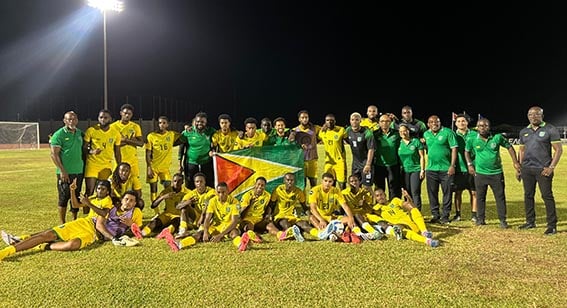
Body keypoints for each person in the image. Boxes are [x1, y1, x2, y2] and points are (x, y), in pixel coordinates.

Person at [0, 190, 140, 261]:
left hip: (93, 236)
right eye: (126, 199)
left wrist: (132, 225)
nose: (128, 202)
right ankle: (7, 252)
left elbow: (139, 232)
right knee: (48, 234)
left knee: (73, 245)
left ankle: (42, 245)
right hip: (86, 225)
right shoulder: (110, 209)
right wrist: (113, 238)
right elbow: (99, 224)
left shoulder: (136, 214)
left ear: (135, 204)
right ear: (122, 200)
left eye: (132, 201)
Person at [161, 182, 251, 252]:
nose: (221, 195)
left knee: (234, 233)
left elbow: (234, 222)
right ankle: (180, 244)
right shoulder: (213, 201)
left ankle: (241, 244)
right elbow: (208, 218)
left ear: (228, 191)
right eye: (218, 192)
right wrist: (205, 232)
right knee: (199, 234)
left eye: (223, 192)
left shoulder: (234, 202)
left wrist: (221, 235)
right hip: (216, 226)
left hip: (228, 226)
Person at [465, 118, 520, 228]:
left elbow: (509, 147)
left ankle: (503, 220)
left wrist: (515, 162)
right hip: (480, 174)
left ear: (489, 127)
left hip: (496, 173)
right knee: (480, 197)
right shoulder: (472, 139)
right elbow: (466, 151)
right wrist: (470, 164)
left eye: (485, 126)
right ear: (477, 127)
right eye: (480, 126)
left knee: (500, 197)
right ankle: (480, 219)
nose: (483, 128)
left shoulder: (497, 137)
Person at [518, 106, 563, 235]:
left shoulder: (550, 129)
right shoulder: (524, 131)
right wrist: (520, 168)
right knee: (528, 195)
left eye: (537, 114)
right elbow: (521, 150)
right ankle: (530, 222)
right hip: (527, 169)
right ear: (528, 116)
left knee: (547, 196)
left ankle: (552, 225)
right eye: (531, 114)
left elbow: (558, 150)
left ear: (542, 115)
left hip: (543, 169)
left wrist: (551, 167)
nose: (534, 116)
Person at [371, 188, 439, 247]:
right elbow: (367, 212)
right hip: (402, 225)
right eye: (377, 196)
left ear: (385, 195)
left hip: (411, 221)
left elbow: (408, 205)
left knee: (414, 209)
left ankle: (424, 231)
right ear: (375, 198)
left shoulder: (395, 200)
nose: (380, 197)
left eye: (381, 194)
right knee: (399, 229)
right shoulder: (376, 208)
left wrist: (408, 197)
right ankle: (427, 241)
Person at [83, 109, 122, 214]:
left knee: (105, 192)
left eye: (105, 117)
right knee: (89, 191)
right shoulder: (91, 130)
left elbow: (117, 152)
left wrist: (119, 166)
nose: (103, 119)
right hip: (93, 164)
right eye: (101, 117)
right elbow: (84, 148)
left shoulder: (115, 133)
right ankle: (86, 216)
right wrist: (92, 151)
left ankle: (105, 215)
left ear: (111, 119)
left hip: (107, 166)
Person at [49, 111, 84, 224]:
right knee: (64, 197)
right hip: (66, 172)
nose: (71, 121)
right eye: (69, 119)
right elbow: (54, 154)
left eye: (74, 119)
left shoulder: (79, 133)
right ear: (64, 121)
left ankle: (74, 220)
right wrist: (63, 171)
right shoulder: (59, 134)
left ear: (77, 120)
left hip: (79, 171)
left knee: (76, 196)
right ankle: (62, 223)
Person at [423, 115, 458, 224]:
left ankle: (445, 216)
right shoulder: (426, 134)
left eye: (436, 122)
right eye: (431, 122)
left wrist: (452, 165)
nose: (434, 124)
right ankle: (435, 215)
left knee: (447, 193)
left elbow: (454, 149)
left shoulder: (448, 132)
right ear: (428, 124)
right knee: (432, 193)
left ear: (440, 122)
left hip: (445, 169)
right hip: (431, 169)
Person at [132, 173, 189, 238]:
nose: (176, 183)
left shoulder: (187, 192)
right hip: (167, 214)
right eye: (175, 181)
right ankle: (142, 233)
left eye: (179, 181)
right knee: (155, 222)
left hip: (179, 216)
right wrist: (163, 197)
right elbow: (153, 205)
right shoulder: (166, 191)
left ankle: (166, 232)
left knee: (175, 223)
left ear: (183, 182)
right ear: (172, 181)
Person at [145, 116, 181, 215]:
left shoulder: (172, 134)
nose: (162, 125)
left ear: (167, 124)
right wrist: (149, 167)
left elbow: (183, 137)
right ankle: (156, 213)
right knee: (153, 189)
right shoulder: (151, 136)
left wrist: (187, 128)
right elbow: (147, 153)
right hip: (154, 168)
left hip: (165, 169)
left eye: (164, 123)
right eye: (160, 123)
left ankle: (167, 209)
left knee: (168, 188)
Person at [307, 173, 356, 241]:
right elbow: (313, 208)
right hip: (319, 217)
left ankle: (350, 234)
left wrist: (351, 218)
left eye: (330, 181)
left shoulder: (336, 191)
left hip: (331, 217)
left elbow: (345, 206)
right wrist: (321, 220)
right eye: (325, 181)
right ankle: (323, 233)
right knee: (311, 217)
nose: (327, 183)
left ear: (333, 182)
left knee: (348, 219)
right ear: (322, 181)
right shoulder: (314, 190)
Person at [266, 172, 310, 242]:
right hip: (280, 216)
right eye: (288, 180)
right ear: (284, 181)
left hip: (292, 216)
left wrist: (310, 216)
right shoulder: (278, 190)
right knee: (286, 224)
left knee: (305, 224)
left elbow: (304, 207)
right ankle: (296, 236)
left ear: (294, 181)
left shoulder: (298, 192)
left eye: (292, 180)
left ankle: (320, 234)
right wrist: (268, 215)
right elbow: (271, 205)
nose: (290, 182)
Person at [178, 112, 216, 189]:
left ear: (206, 122)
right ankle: (191, 200)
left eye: (202, 122)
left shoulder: (211, 131)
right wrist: (179, 164)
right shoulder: (188, 132)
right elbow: (181, 148)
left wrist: (238, 132)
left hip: (206, 162)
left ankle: (208, 200)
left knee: (209, 183)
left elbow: (221, 135)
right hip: (191, 163)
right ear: (195, 121)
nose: (199, 123)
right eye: (198, 121)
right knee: (190, 184)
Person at [341, 174, 383, 240]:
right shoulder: (344, 193)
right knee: (350, 219)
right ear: (348, 183)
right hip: (350, 215)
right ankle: (361, 234)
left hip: (362, 215)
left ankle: (373, 232)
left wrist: (365, 203)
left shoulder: (364, 192)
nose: (354, 182)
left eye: (356, 181)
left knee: (359, 215)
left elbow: (371, 205)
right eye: (352, 181)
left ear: (359, 182)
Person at [452, 113, 477, 222]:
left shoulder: (475, 134)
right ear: (455, 123)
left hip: (473, 167)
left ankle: (474, 214)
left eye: (463, 121)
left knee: (474, 192)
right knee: (458, 192)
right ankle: (458, 214)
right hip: (459, 168)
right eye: (458, 121)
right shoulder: (453, 135)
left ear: (467, 122)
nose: (461, 123)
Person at [175, 173, 216, 237]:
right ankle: (183, 230)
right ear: (194, 183)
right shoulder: (192, 193)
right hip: (197, 217)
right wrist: (188, 202)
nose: (199, 183)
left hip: (208, 217)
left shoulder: (211, 191)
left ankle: (202, 228)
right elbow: (178, 206)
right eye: (197, 182)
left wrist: (202, 216)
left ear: (205, 182)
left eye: (201, 181)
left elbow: (209, 205)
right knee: (184, 208)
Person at [289, 110, 321, 190]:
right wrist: (295, 142)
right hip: (301, 161)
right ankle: (303, 201)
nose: (305, 119)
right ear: (299, 119)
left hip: (312, 160)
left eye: (306, 117)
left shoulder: (315, 128)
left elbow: (324, 130)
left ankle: (313, 201)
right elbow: (291, 142)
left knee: (313, 183)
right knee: (302, 184)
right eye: (302, 117)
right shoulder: (295, 130)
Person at [111, 103, 144, 178]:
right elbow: (112, 144)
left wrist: (125, 140)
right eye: (125, 113)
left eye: (129, 114)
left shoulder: (135, 126)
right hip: (118, 160)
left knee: (134, 184)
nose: (127, 115)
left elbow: (141, 143)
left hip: (133, 161)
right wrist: (131, 141)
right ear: (121, 113)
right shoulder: (113, 127)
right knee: (118, 183)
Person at [397, 124, 426, 211]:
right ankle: (409, 211)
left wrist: (422, 170)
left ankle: (417, 212)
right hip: (404, 171)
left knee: (415, 192)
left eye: (405, 131)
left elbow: (422, 157)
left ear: (408, 131)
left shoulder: (416, 141)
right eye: (401, 131)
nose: (403, 133)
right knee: (406, 192)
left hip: (415, 170)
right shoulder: (399, 143)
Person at [373, 114, 402, 199]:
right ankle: (380, 207)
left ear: (390, 122)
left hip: (393, 165)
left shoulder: (396, 134)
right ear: (379, 123)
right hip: (379, 165)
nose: (384, 123)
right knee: (380, 188)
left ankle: (394, 207)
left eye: (387, 121)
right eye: (382, 121)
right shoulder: (375, 134)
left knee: (394, 188)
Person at [345, 112, 375, 192]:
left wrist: (368, 164)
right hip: (355, 164)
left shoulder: (367, 133)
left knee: (366, 187)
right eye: (352, 120)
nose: (354, 121)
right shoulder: (348, 130)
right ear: (350, 121)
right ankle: (358, 203)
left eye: (356, 120)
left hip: (366, 163)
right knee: (355, 185)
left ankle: (372, 203)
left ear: (360, 121)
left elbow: (371, 149)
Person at [318, 114, 348, 189]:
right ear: (325, 122)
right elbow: (316, 139)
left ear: (335, 121)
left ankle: (343, 200)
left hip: (339, 161)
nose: (329, 122)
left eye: (331, 120)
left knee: (342, 184)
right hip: (328, 162)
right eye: (327, 120)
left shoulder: (341, 130)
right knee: (329, 184)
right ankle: (332, 199)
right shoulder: (322, 132)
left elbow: (348, 140)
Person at [238, 177, 272, 242]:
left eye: (262, 185)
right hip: (248, 220)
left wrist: (268, 214)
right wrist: (249, 205)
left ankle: (281, 235)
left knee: (270, 225)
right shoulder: (247, 195)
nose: (260, 187)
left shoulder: (267, 195)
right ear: (255, 185)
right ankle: (255, 237)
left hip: (259, 220)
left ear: (265, 186)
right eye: (258, 184)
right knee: (249, 226)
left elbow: (268, 207)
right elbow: (241, 215)